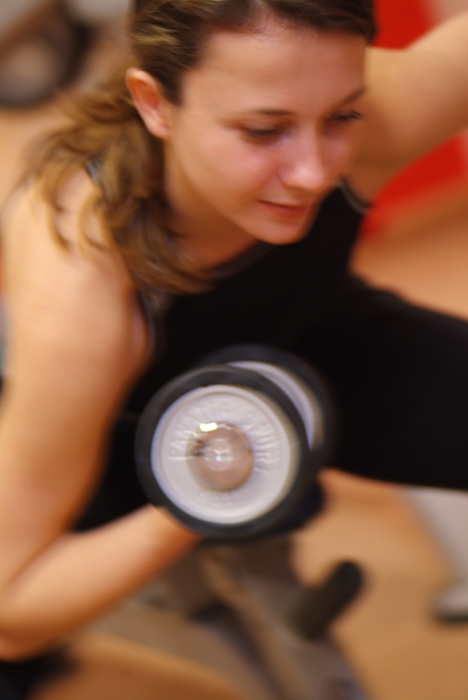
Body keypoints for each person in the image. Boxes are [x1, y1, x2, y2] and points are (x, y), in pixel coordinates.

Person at [2, 0, 468, 696]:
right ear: (155, 104)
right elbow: (11, 605)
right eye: (263, 130)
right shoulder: (84, 286)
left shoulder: (372, 107)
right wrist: (200, 501)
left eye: (340, 116)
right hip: (117, 418)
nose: (312, 172)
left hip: (300, 330)